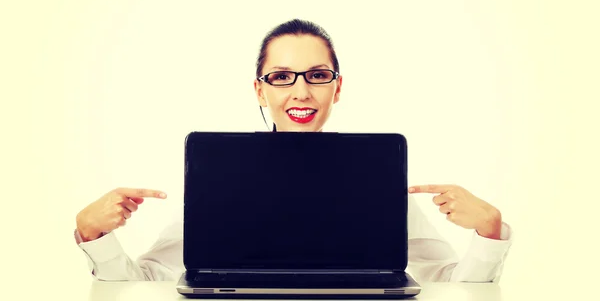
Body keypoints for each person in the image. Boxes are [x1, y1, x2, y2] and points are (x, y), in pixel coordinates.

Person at [74, 19, 512, 282]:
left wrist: (489, 233)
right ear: (260, 91)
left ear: (337, 88)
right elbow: (146, 281)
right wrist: (96, 236)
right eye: (282, 77)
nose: (301, 91)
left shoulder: (374, 177)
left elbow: (450, 283)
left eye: (317, 74)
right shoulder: (222, 175)